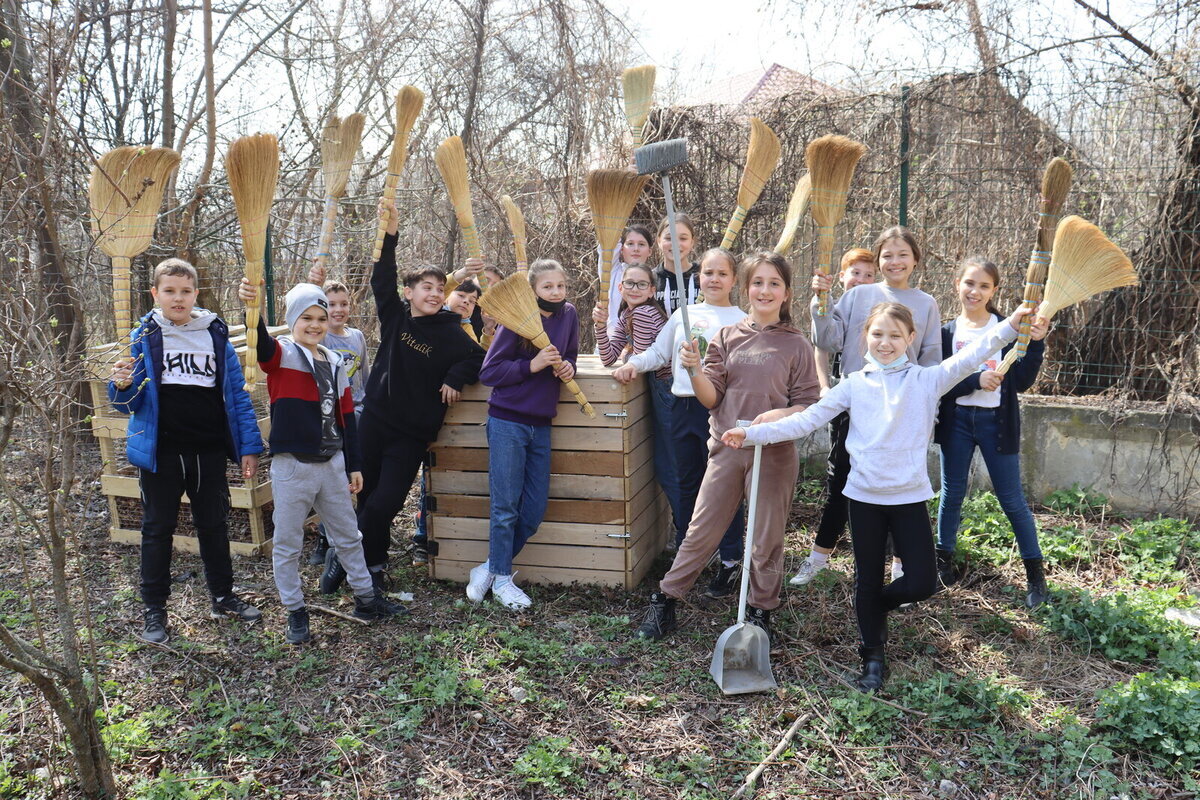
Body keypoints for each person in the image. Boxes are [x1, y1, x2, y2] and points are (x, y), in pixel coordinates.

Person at [722, 301, 1045, 690]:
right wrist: (751, 434)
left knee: (922, 583)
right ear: (866, 337)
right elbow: (806, 420)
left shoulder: (927, 380)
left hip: (908, 499)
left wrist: (1009, 326)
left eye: (895, 335)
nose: (885, 342)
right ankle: (872, 659)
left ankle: (874, 606)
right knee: (867, 578)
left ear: (911, 338)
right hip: (864, 499)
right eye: (877, 334)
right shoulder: (854, 384)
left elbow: (972, 356)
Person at [634, 252, 820, 643]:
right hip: (726, 448)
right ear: (746, 288)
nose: (765, 290)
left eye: (774, 283)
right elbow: (710, 398)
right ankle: (666, 599)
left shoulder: (797, 344)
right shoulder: (726, 336)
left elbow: (807, 403)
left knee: (765, 538)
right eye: (758, 282)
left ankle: (760, 610)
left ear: (786, 293)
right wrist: (694, 371)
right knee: (701, 530)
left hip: (773, 453)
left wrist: (777, 417)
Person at [321, 198, 485, 593]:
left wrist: (456, 376)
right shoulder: (396, 319)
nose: (434, 294)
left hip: (411, 435)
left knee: (387, 502)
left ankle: (343, 553)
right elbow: (382, 277)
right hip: (374, 422)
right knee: (366, 497)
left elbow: (479, 359)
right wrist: (390, 233)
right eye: (426, 288)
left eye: (439, 288)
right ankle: (372, 566)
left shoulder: (451, 331)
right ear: (409, 293)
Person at [238, 280, 405, 643]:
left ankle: (366, 598)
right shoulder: (281, 354)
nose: (315, 325)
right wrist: (252, 306)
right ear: (292, 320)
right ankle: (295, 610)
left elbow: (346, 418)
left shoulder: (334, 361)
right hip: (293, 466)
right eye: (306, 318)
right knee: (288, 543)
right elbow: (260, 341)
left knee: (348, 536)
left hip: (332, 464)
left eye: (321, 318)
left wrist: (354, 464)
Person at [108, 258, 264, 645]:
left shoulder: (214, 335)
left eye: (185, 291)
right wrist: (121, 384)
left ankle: (223, 596)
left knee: (214, 524)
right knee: (157, 529)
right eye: (169, 291)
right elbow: (125, 405)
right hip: (161, 452)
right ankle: (154, 609)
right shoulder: (144, 336)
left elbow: (237, 397)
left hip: (207, 450)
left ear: (196, 294)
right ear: (155, 294)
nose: (178, 298)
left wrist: (249, 446)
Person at [792, 227, 941, 588]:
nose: (895, 261)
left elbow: (931, 360)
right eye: (887, 255)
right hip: (855, 407)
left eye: (903, 254)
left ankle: (900, 568)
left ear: (915, 260)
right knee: (841, 482)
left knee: (900, 491)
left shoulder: (926, 303)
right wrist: (821, 302)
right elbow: (828, 338)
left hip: (902, 414)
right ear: (878, 260)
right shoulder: (859, 295)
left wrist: (927, 409)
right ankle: (818, 558)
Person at [614, 248, 748, 597]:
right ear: (698, 278)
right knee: (686, 483)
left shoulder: (742, 320)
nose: (714, 279)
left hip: (721, 413)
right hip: (682, 409)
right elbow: (658, 353)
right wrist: (632, 365)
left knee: (724, 487)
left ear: (734, 280)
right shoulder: (684, 316)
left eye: (722, 273)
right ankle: (689, 556)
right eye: (708, 273)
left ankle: (730, 560)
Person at [465, 260, 580, 610]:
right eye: (548, 287)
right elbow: (490, 372)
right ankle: (502, 581)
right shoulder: (517, 318)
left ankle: (489, 567)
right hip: (507, 421)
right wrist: (533, 364)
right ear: (533, 290)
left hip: (541, 422)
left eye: (560, 286)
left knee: (532, 510)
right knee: (505, 507)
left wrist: (567, 367)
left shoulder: (569, 315)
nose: (556, 292)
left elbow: (570, 355)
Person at [935, 257, 1048, 607]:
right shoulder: (946, 333)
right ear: (957, 284)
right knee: (952, 494)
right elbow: (939, 382)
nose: (975, 291)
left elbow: (1022, 381)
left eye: (984, 286)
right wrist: (975, 380)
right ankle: (943, 565)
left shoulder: (1006, 328)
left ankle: (1036, 577)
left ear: (994, 290)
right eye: (969, 283)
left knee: (1011, 499)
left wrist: (1037, 343)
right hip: (956, 422)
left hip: (996, 423)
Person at [593, 263, 678, 544]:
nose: (635, 289)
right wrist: (599, 326)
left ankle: (684, 531)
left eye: (642, 284)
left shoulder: (644, 313)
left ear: (652, 290)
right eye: (629, 283)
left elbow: (640, 358)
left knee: (670, 463)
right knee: (666, 462)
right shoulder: (628, 314)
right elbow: (608, 357)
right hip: (658, 386)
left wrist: (628, 358)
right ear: (620, 287)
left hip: (666, 387)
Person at [302, 277, 370, 566]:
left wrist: (369, 405)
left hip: (357, 415)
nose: (338, 310)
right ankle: (325, 538)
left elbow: (365, 375)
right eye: (331, 305)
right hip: (330, 418)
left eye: (343, 304)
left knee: (355, 476)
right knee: (332, 481)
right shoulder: (321, 337)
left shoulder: (357, 337)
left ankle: (356, 534)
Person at [815, 249, 876, 396]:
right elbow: (821, 349)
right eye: (856, 273)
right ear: (842, 276)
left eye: (868, 275)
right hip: (838, 383)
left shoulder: (876, 312)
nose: (861, 280)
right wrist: (824, 386)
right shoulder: (830, 307)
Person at [601, 223, 655, 340]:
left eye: (641, 244)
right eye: (630, 244)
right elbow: (607, 245)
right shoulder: (612, 273)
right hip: (611, 344)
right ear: (621, 249)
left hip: (643, 345)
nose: (636, 249)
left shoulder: (654, 278)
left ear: (650, 251)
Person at [652, 214, 701, 317]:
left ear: (692, 242)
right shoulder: (651, 279)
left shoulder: (703, 275)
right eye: (669, 238)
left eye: (683, 238)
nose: (675, 243)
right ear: (659, 241)